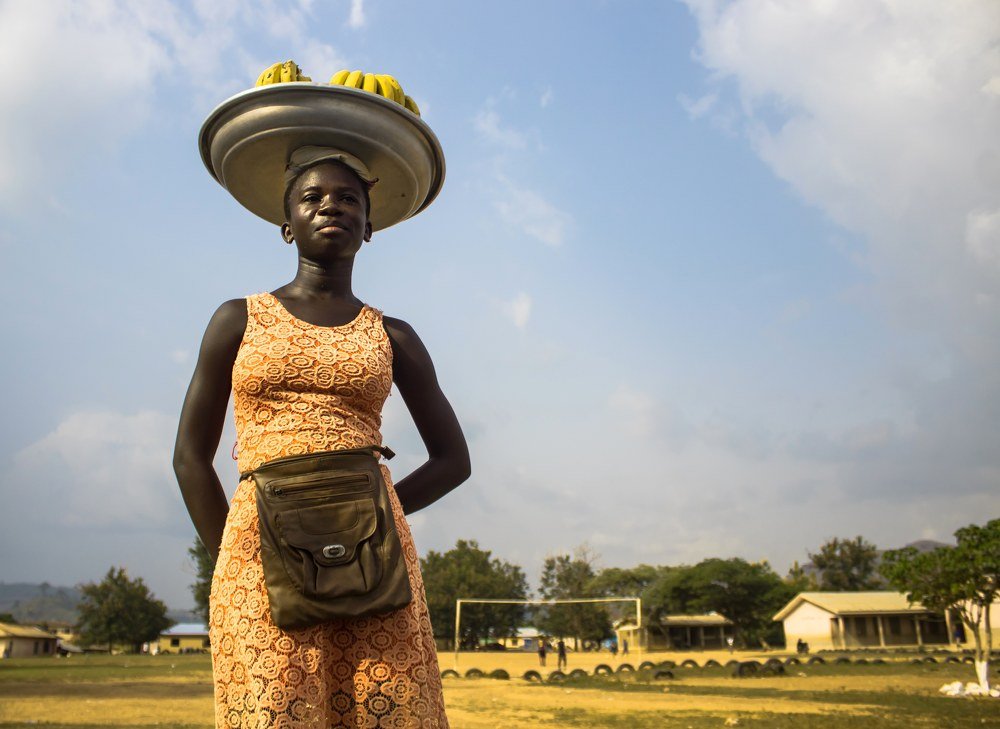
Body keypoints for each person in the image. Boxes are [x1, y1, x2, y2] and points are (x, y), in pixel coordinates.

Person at [175, 68, 469, 728]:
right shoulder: (237, 318)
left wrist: (378, 510)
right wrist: (233, 557)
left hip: (375, 559)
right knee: (275, 710)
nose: (330, 206)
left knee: (385, 707)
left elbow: (454, 459)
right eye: (311, 197)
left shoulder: (394, 335)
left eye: (347, 199)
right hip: (259, 554)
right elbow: (190, 457)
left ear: (372, 225)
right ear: (286, 224)